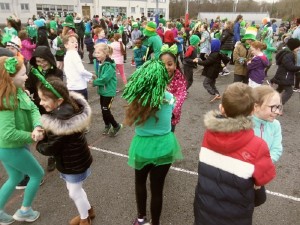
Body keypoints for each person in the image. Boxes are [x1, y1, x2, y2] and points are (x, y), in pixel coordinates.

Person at [194, 82, 276, 225]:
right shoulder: (258, 146)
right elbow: (264, 177)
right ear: (252, 111)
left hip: (204, 211)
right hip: (236, 217)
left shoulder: (208, 134)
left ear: (222, 108)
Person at [122, 59, 183, 225]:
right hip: (165, 145)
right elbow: (171, 114)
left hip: (143, 146)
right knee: (157, 189)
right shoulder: (170, 98)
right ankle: (155, 222)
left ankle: (141, 218)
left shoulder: (136, 99)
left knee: (140, 183)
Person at [36, 77, 94, 225]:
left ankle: (84, 218)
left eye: (44, 99)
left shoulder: (60, 122)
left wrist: (39, 141)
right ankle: (88, 211)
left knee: (74, 192)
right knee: (75, 189)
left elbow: (50, 148)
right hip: (76, 159)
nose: (40, 102)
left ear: (60, 101)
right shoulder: (69, 108)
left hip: (72, 163)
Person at [0, 56, 44, 224]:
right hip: (10, 148)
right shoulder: (5, 100)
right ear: (10, 77)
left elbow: (33, 108)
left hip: (14, 146)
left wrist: (37, 126)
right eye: (23, 74)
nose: (26, 77)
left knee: (16, 177)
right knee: (37, 174)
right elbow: (7, 134)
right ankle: (25, 211)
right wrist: (32, 136)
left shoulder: (18, 91)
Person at [252, 85, 283, 206]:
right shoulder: (244, 123)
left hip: (260, 171)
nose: (277, 112)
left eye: (278, 107)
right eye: (272, 107)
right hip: (242, 173)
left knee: (259, 200)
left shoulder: (275, 125)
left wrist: (261, 168)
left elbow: (276, 149)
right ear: (256, 106)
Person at [92, 43, 122, 136]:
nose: (96, 54)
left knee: (106, 110)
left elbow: (105, 79)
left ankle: (116, 126)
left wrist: (94, 82)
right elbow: (99, 75)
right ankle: (107, 125)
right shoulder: (100, 63)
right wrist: (94, 77)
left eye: (99, 52)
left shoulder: (109, 65)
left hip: (109, 92)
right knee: (103, 109)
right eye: (95, 52)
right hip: (103, 91)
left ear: (105, 53)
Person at [159, 44, 187, 132]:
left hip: (171, 116)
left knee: (169, 136)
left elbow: (181, 95)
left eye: (169, 64)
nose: (166, 67)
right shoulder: (156, 77)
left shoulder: (179, 79)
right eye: (163, 65)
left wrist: (171, 109)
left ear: (175, 65)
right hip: (156, 115)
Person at [270, 38, 300, 105]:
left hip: (282, 75)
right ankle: (278, 105)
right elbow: (290, 67)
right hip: (285, 77)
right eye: (298, 47)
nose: (299, 48)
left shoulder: (286, 53)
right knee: (289, 91)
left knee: (279, 89)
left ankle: (270, 100)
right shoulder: (288, 55)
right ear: (293, 46)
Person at [63, 34, 93, 100]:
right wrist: (91, 75)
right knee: (84, 109)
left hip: (71, 87)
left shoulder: (67, 55)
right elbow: (81, 71)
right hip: (79, 88)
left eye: (76, 42)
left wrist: (87, 79)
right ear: (66, 45)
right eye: (72, 42)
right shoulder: (74, 54)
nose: (75, 44)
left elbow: (75, 72)